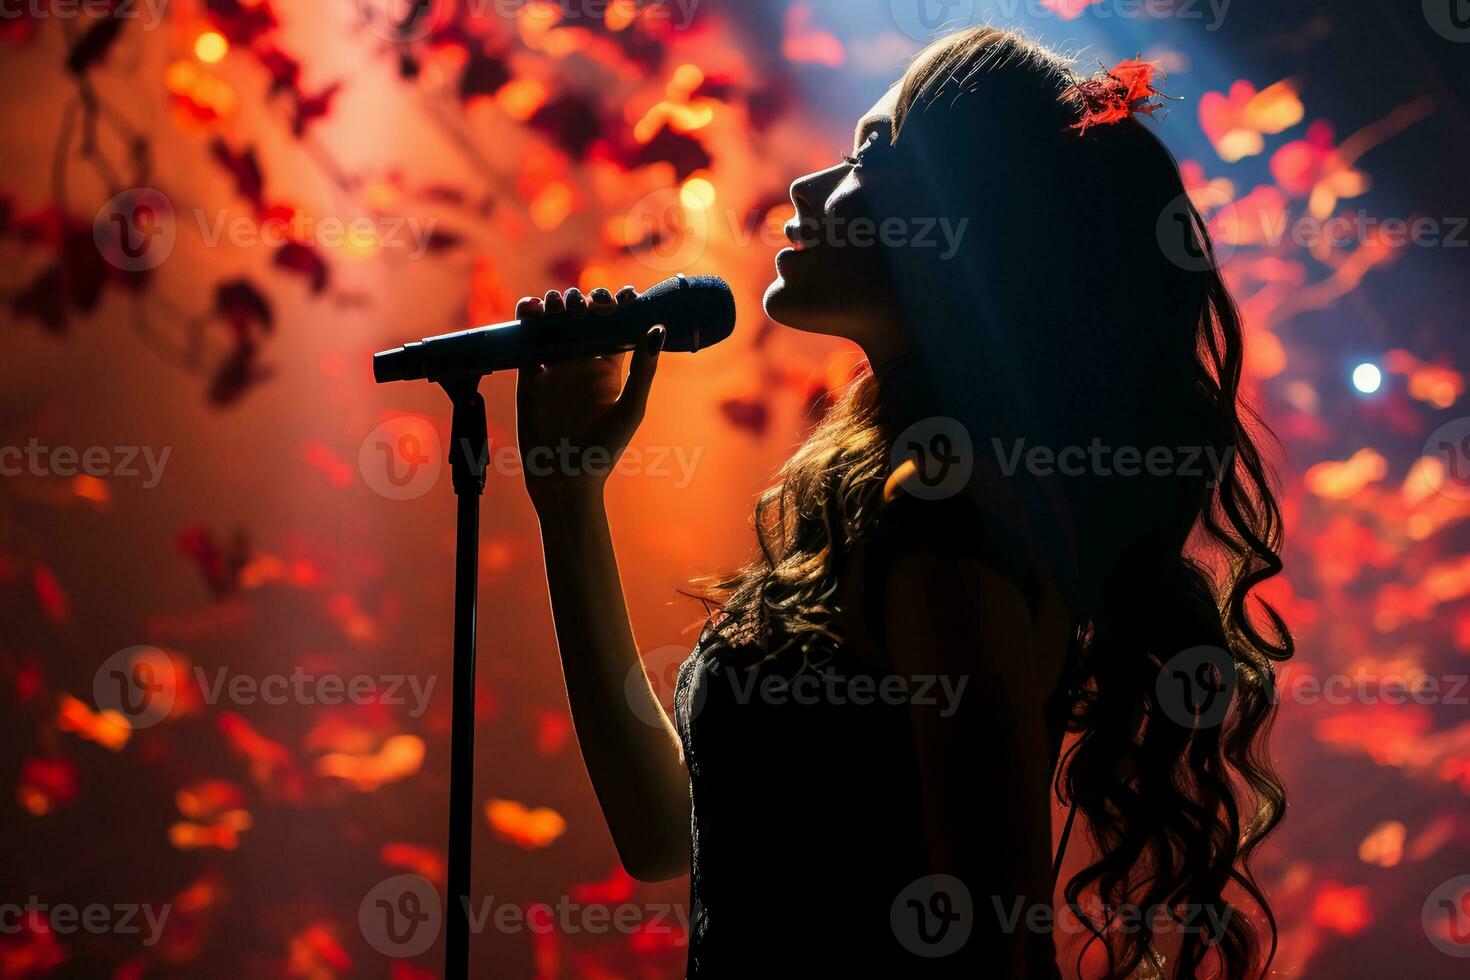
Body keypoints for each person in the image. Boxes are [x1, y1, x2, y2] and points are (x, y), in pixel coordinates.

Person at [514, 26, 1292, 979]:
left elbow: (993, 947)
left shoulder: (942, 527)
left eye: (871, 155)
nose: (809, 188)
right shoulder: (888, 502)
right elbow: (661, 835)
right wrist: (568, 500)